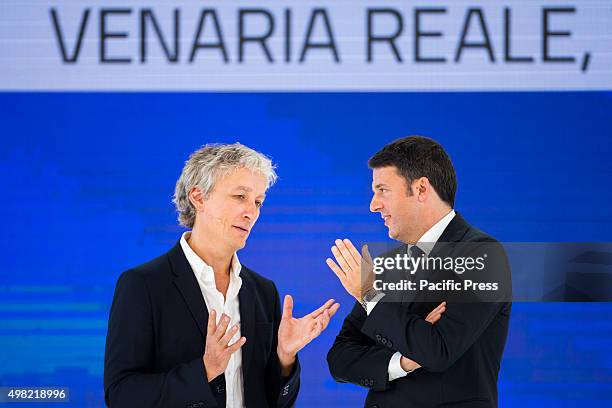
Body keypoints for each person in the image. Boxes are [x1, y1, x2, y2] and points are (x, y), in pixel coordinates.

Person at [104, 143, 339, 407]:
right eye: (240, 196)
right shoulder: (143, 285)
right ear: (199, 197)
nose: (251, 212)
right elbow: (120, 395)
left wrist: (285, 357)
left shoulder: (263, 292)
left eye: (258, 201)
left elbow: (274, 402)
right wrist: (205, 370)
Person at [326, 136, 511, 407]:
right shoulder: (389, 265)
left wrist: (369, 295)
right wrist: (401, 362)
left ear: (422, 188)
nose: (373, 205)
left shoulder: (482, 255)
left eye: (382, 190)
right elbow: (340, 359)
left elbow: (438, 350)